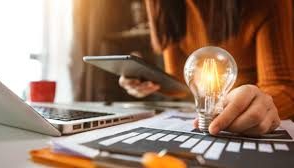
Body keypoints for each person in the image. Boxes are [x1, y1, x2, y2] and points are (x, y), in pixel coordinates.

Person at [119, 0, 294, 136]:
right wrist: (148, 77)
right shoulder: (164, 4)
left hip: (251, 116)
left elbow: (283, 86)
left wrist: (258, 106)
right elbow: (183, 81)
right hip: (209, 120)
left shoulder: (265, 4)